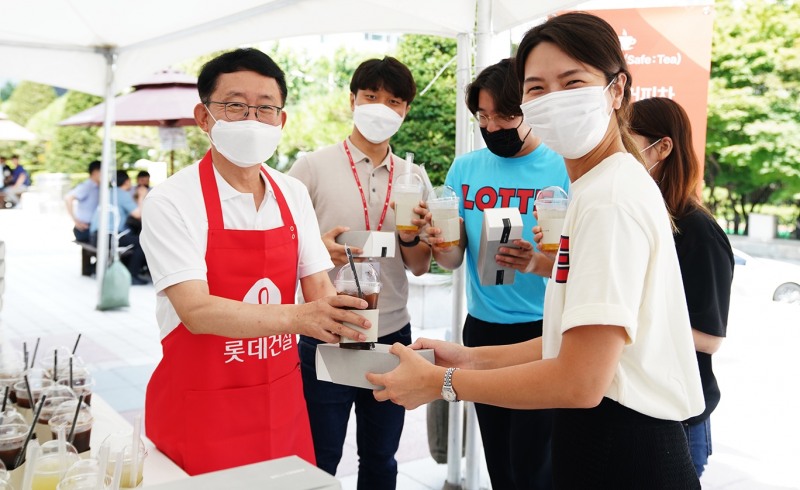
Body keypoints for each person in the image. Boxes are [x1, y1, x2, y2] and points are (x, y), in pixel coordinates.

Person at [369, 12, 705, 489]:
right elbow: (568, 346)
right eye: (537, 88)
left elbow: (578, 381)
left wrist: (441, 384)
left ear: (616, 90)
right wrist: (464, 358)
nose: (554, 101)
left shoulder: (609, 199)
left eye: (573, 82)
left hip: (625, 448)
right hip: (604, 437)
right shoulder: (598, 185)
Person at [139, 48, 372, 476]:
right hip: (203, 407)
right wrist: (304, 316)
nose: (251, 119)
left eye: (265, 108)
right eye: (235, 105)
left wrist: (358, 335)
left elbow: (318, 288)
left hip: (280, 402)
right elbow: (196, 310)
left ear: (281, 121)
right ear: (204, 116)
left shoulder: (292, 194)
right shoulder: (173, 200)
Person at [287, 56, 431, 489]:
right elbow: (280, 252)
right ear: (352, 100)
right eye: (371, 96)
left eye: (394, 101)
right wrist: (319, 253)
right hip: (327, 332)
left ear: (405, 110)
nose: (381, 108)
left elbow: (421, 266)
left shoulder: (414, 175)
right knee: (320, 456)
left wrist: (411, 238)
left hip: (391, 335)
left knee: (382, 458)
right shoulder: (309, 168)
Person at [427, 57, 568, 490]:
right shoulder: (465, 169)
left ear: (530, 107)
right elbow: (453, 261)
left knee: (534, 462)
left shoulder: (564, 166)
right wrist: (440, 244)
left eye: (504, 115)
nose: (492, 128)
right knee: (500, 459)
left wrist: (539, 262)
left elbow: (582, 263)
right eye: (483, 117)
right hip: (482, 330)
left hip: (542, 331)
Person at [631, 97, 734, 477]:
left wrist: (630, 320)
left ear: (662, 147)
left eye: (627, 140)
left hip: (678, 418)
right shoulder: (640, 216)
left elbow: (710, 338)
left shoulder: (698, 231)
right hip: (635, 405)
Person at [89, 170, 149, 285]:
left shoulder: (109, 192)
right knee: (142, 240)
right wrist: (142, 196)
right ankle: (132, 275)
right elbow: (138, 214)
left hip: (95, 235)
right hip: (107, 236)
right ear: (126, 182)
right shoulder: (122, 194)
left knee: (133, 237)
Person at [64, 160, 101, 242]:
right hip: (84, 229)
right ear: (95, 172)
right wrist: (75, 221)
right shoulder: (87, 186)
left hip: (93, 227)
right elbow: (68, 198)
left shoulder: (99, 187)